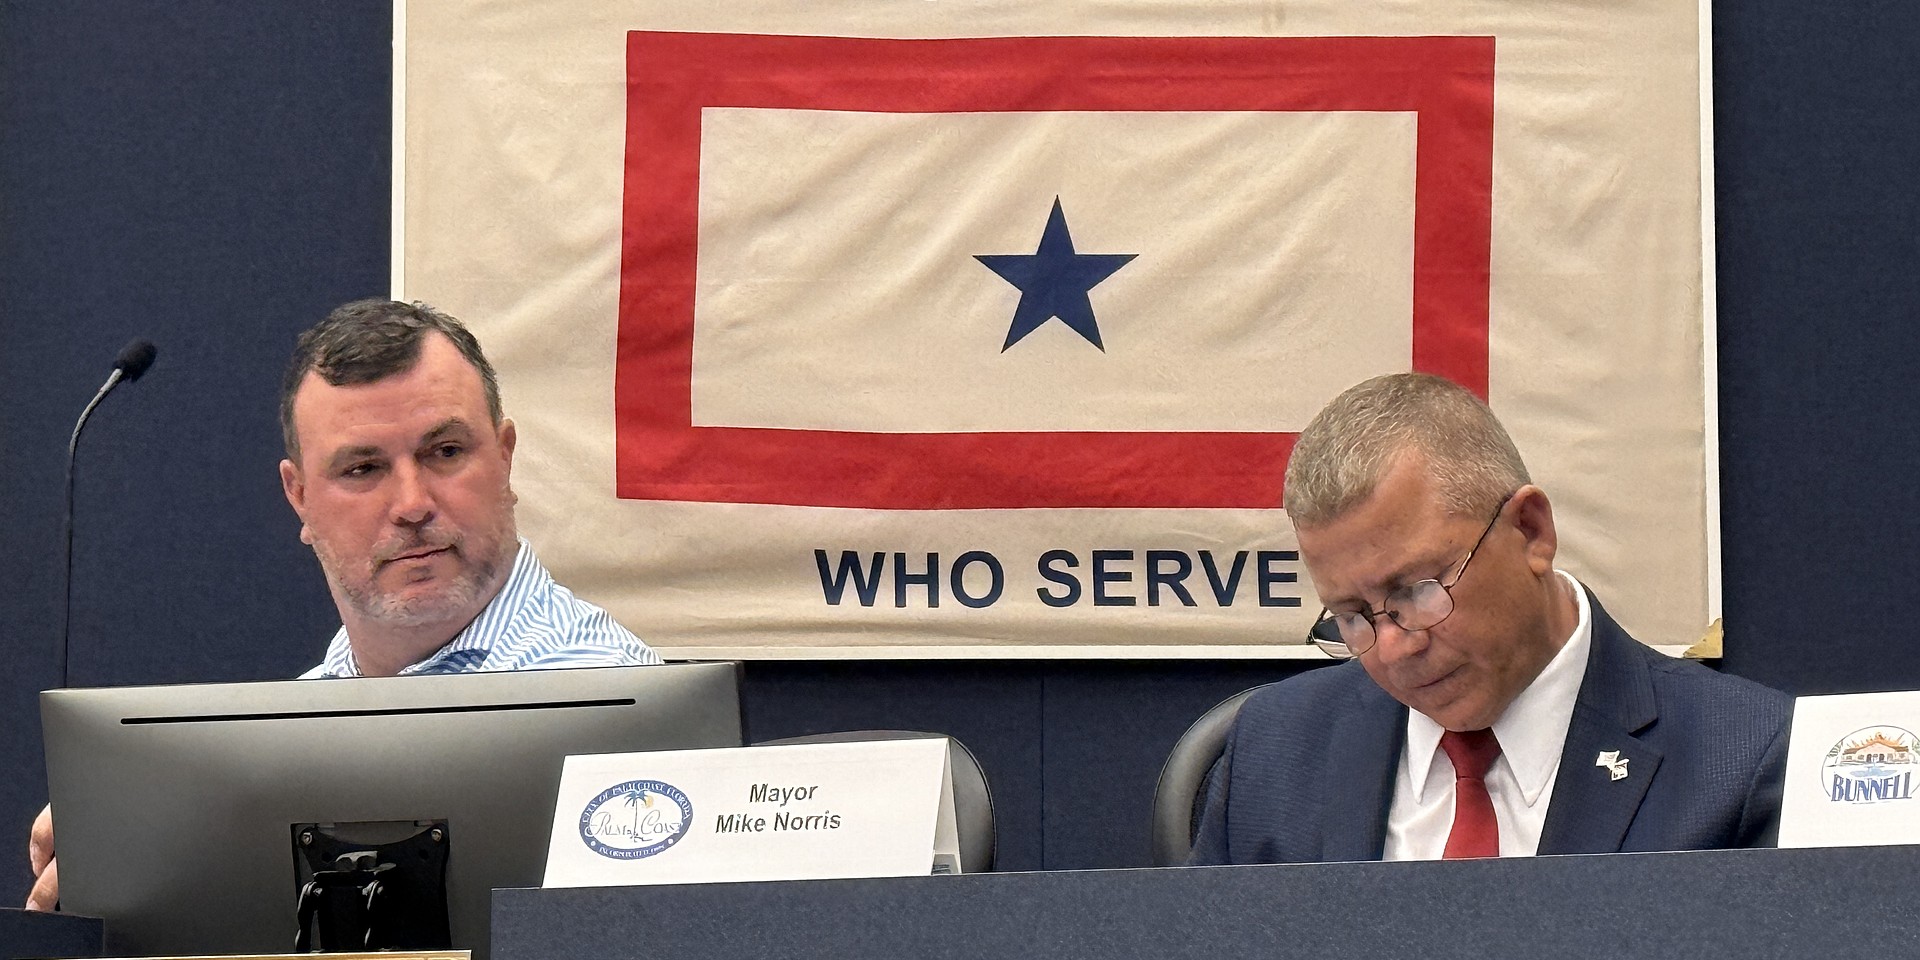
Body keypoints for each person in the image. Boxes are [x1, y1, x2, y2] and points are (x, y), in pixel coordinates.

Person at [27, 298, 660, 909]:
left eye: (445, 452)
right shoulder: (294, 731)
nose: (412, 503)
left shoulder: (616, 706)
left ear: (505, 458)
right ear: (298, 497)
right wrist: (143, 857)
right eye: (362, 469)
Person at [1187, 372, 1790, 865]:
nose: (1393, 648)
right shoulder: (1273, 749)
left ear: (1531, 531)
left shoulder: (1742, 759)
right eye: (1351, 616)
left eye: (1417, 590)